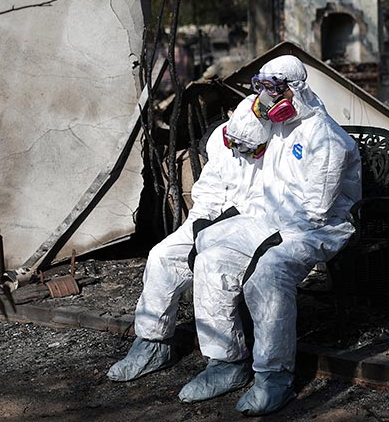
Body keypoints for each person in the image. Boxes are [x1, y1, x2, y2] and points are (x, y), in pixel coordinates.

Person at [179, 54, 362, 416]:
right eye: (259, 88)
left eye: (273, 89)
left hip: (318, 226)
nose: (265, 97)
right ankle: (225, 362)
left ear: (294, 90)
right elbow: (238, 141)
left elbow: (316, 210)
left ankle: (274, 376)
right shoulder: (278, 128)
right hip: (273, 218)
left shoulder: (325, 138)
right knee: (212, 258)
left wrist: (261, 243)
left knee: (268, 273)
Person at [107, 98, 272, 382]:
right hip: (210, 220)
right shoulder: (222, 143)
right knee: (162, 257)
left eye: (247, 147)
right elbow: (208, 192)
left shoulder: (276, 152)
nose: (239, 150)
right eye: (235, 142)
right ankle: (152, 344)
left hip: (251, 225)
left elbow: (265, 205)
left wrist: (219, 230)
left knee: (212, 266)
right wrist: (201, 225)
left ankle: (227, 361)